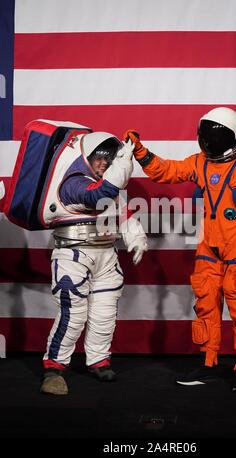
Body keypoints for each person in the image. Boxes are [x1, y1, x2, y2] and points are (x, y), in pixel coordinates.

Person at [124, 107, 236, 392]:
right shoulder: (201, 163)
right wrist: (140, 152)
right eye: (207, 138)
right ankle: (209, 363)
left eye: (216, 139)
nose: (210, 144)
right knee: (206, 301)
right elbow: (168, 171)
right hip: (210, 245)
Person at [41, 131, 148, 395]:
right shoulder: (72, 182)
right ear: (86, 158)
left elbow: (122, 214)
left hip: (106, 255)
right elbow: (96, 196)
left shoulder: (108, 186)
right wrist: (122, 165)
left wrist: (135, 237)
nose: (104, 163)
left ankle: (98, 360)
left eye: (109, 159)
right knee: (73, 314)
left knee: (104, 314)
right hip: (73, 256)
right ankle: (54, 369)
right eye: (99, 157)